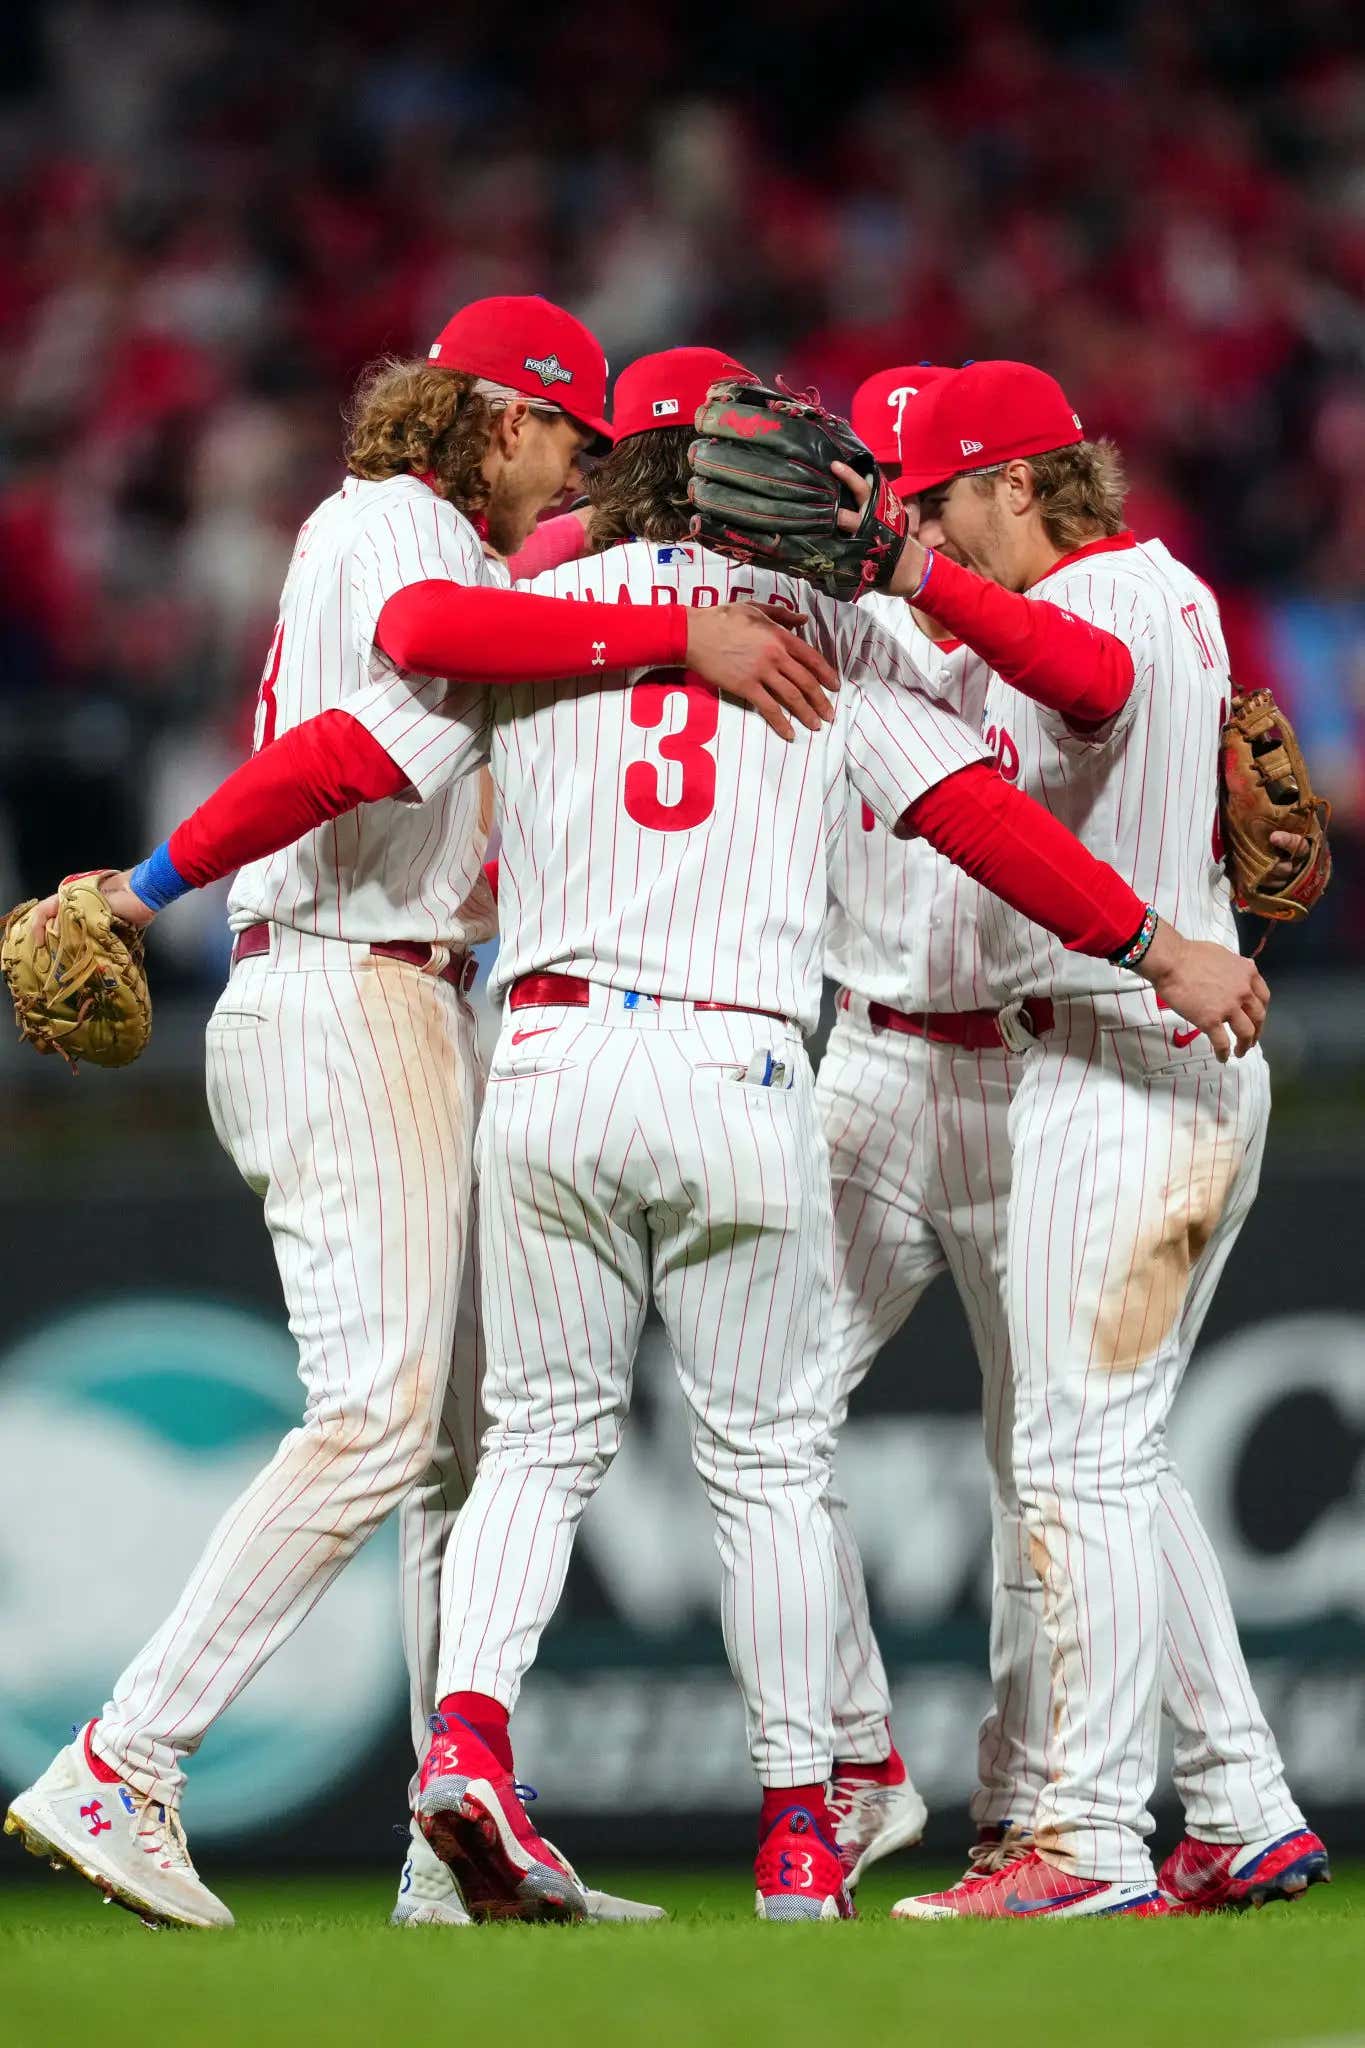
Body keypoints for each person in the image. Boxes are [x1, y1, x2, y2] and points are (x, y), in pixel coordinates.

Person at [398, 346, 1266, 1925]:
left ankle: (464, 1748)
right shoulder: (820, 627)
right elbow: (975, 815)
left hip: (545, 1061)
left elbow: (413, 636)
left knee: (535, 1442)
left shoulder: (531, 615)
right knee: (775, 1462)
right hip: (742, 1068)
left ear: (612, 469)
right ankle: (806, 1824)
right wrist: (1154, 943)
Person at [3, 299, 836, 1932]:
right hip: (343, 981)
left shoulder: (455, 550)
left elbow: (449, 676)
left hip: (416, 988)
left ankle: (443, 1857)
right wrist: (150, 886)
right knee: (382, 1416)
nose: (574, 482)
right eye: (566, 444)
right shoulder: (391, 526)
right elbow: (371, 717)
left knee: (458, 1448)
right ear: (501, 421)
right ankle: (129, 1758)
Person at [816, 359, 1323, 1920]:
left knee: (1073, 1454)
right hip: (1147, 1063)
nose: (937, 534)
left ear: (1018, 488)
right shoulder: (1169, 584)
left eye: (950, 505)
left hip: (1120, 1059)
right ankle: (1238, 1807)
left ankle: (1083, 1836)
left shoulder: (1101, 603)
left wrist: (905, 575)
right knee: (1116, 1451)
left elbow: (1086, 689)